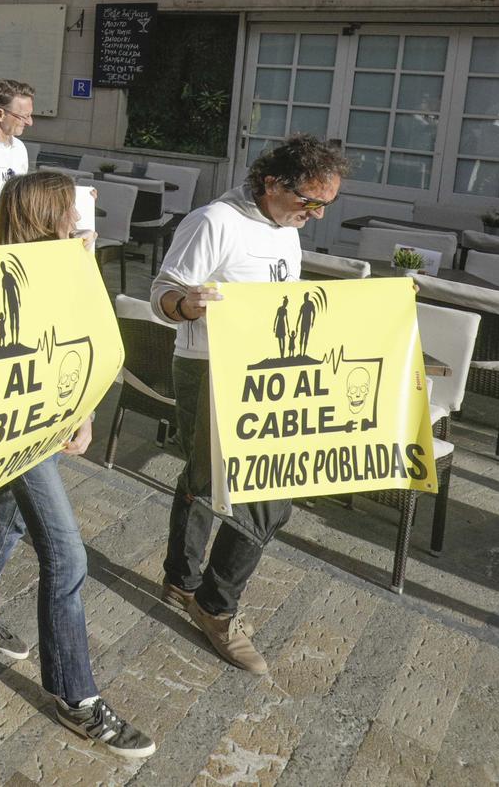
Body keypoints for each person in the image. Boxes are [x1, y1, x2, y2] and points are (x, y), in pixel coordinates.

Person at [0, 170, 156, 760]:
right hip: (15, 430)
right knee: (67, 556)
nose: (81, 217)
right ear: (47, 216)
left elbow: (79, 345)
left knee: (10, 515)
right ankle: (76, 697)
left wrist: (81, 412)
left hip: (43, 425)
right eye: (71, 208)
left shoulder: (64, 265)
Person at [153, 132, 347, 675]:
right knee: (257, 490)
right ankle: (215, 608)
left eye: (324, 205)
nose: (315, 214)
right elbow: (161, 294)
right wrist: (186, 305)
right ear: (270, 183)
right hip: (208, 368)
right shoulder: (214, 222)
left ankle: (182, 581)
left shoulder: (286, 229)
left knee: (233, 482)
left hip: (267, 375)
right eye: (308, 201)